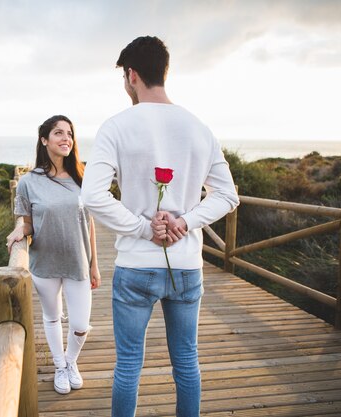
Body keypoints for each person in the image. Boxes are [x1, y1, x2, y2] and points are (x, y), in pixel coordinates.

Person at [80, 36, 239, 417]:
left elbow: (93, 196)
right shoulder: (199, 128)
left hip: (136, 266)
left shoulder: (116, 126)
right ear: (164, 72)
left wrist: (142, 227)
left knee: (129, 364)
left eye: (124, 77)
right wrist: (184, 221)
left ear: (131, 75)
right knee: (186, 361)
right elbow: (228, 196)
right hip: (186, 267)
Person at [6, 115, 101, 395]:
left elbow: (90, 222)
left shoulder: (81, 176)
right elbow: (27, 222)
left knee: (81, 324)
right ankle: (60, 366)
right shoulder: (28, 183)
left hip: (78, 260)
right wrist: (19, 232)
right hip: (44, 262)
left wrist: (95, 264)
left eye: (69, 134)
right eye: (58, 133)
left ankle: (70, 362)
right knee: (52, 317)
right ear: (44, 140)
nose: (66, 138)